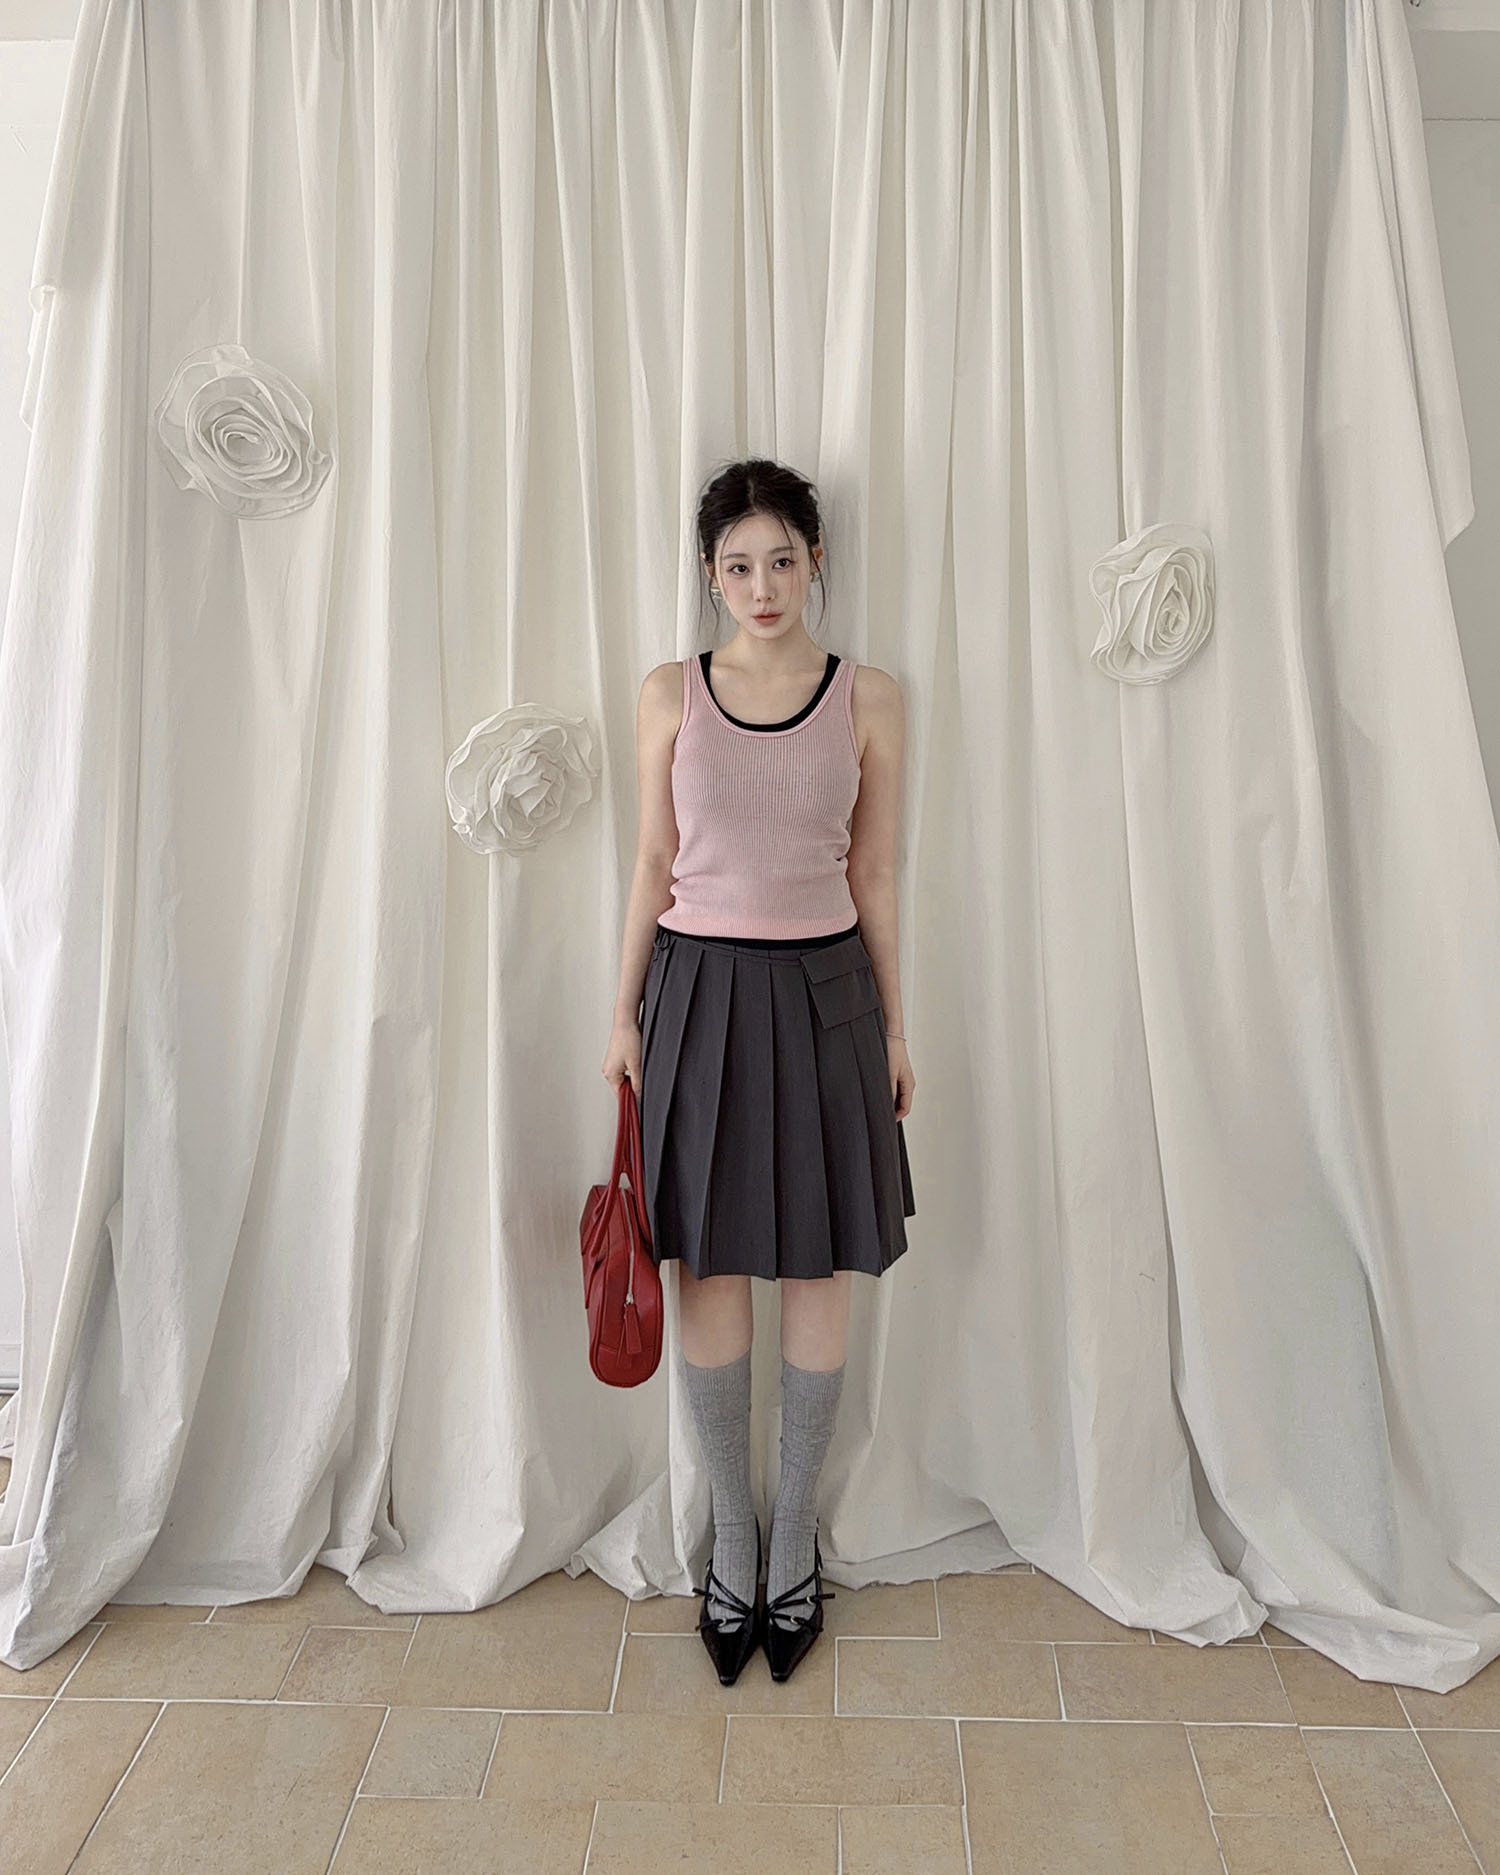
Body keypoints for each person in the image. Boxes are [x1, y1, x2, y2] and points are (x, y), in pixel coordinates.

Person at [601, 458, 917, 1687]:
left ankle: (795, 1547)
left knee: (822, 1266)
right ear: (710, 575)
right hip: (697, 993)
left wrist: (896, 1031)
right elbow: (650, 861)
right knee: (712, 1265)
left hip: (828, 998)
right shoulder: (668, 694)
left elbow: (875, 874)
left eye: (783, 559)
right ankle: (732, 1540)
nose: (763, 585)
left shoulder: (870, 698)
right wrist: (622, 1014)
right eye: (738, 565)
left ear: (816, 561)